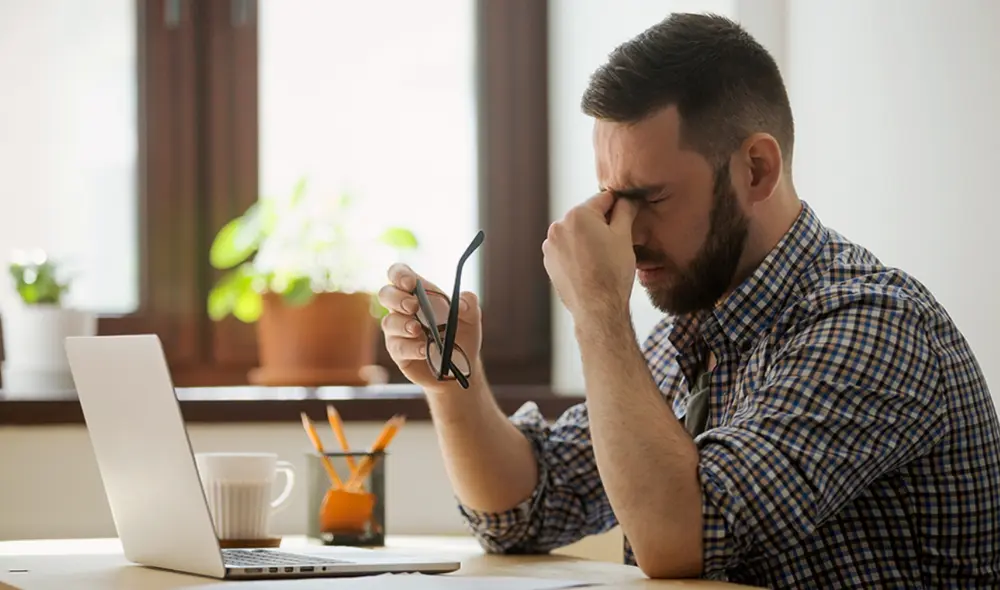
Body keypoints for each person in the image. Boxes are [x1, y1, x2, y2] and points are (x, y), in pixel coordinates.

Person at [376, 12, 1000, 589]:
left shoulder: (871, 326)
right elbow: (524, 510)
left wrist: (598, 308)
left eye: (651, 198)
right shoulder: (688, 337)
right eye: (612, 199)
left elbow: (680, 538)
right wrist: (451, 386)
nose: (629, 233)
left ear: (756, 169)